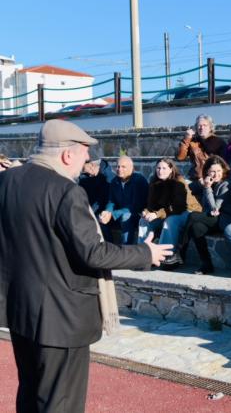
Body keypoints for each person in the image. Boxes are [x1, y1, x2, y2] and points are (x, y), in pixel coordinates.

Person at [0, 119, 171, 413]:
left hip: (20, 310)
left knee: (29, 394)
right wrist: (144, 253)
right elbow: (93, 252)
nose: (88, 159)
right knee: (60, 403)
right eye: (84, 152)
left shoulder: (7, 181)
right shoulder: (66, 191)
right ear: (67, 154)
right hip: (61, 318)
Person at [182, 155, 231, 275]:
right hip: (215, 219)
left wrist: (207, 188)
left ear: (223, 170)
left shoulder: (226, 184)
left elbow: (215, 208)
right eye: (212, 171)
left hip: (226, 219)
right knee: (196, 227)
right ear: (207, 172)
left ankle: (180, 250)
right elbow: (204, 205)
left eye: (219, 171)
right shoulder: (209, 182)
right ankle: (206, 264)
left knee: (193, 216)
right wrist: (203, 185)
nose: (216, 174)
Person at [137, 159, 201, 264]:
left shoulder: (178, 181)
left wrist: (157, 214)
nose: (160, 171)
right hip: (167, 212)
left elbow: (177, 207)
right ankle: (143, 255)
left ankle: (165, 256)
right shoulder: (154, 181)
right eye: (158, 168)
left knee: (170, 221)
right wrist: (146, 212)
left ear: (171, 169)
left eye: (164, 168)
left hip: (188, 212)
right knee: (144, 221)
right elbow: (151, 204)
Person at [98, 156, 149, 244]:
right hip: (118, 214)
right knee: (101, 218)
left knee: (126, 216)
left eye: (123, 167)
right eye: (118, 166)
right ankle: (109, 246)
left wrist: (113, 214)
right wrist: (107, 211)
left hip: (137, 215)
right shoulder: (114, 181)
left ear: (131, 168)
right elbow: (111, 201)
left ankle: (126, 247)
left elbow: (136, 206)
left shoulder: (139, 181)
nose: (119, 169)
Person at [176, 114, 226, 181]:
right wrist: (187, 138)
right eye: (199, 125)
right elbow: (180, 157)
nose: (201, 128)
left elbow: (224, 164)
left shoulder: (219, 142)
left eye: (205, 125)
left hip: (212, 178)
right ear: (196, 127)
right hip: (195, 177)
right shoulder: (192, 141)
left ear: (210, 127)